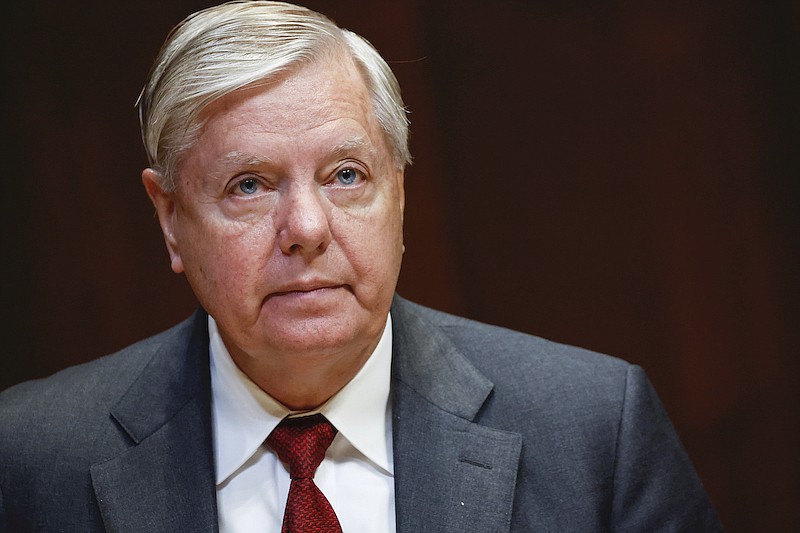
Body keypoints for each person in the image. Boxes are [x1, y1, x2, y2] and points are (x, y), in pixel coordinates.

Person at [0, 1, 723, 531]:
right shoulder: (29, 458)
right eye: (248, 184)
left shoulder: (594, 430)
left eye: (346, 175)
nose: (308, 229)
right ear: (170, 219)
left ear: (399, 194)